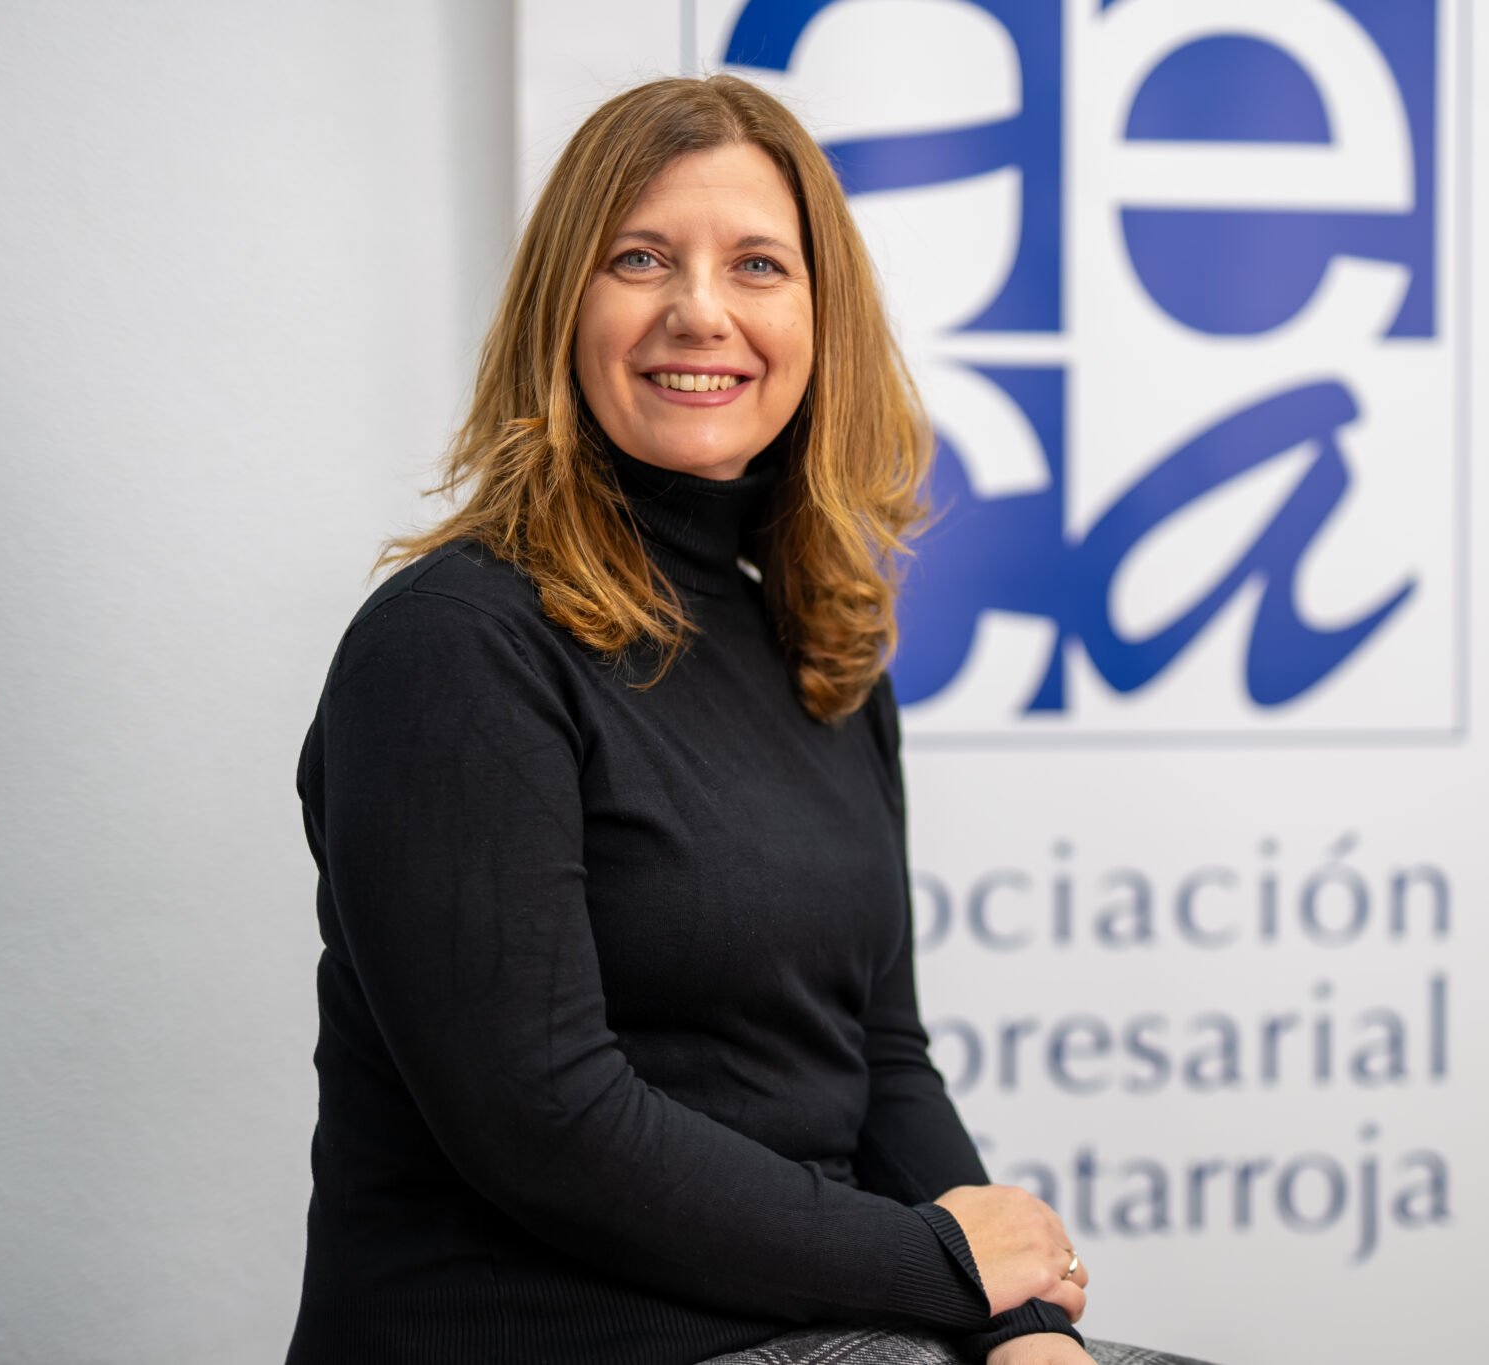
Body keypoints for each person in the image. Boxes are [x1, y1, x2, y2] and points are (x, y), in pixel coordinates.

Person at [285, 75, 1215, 1365]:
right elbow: (543, 1123)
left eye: (758, 265)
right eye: (640, 259)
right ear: (563, 307)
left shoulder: (824, 657)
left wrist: (1026, 1321)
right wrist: (945, 1269)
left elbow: (880, 1061)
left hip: (816, 1325)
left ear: (821, 321)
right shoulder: (456, 646)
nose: (700, 310)